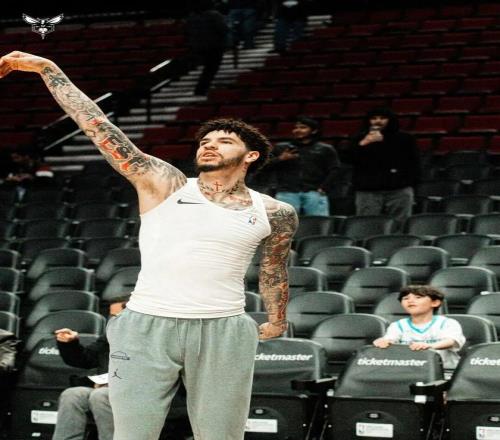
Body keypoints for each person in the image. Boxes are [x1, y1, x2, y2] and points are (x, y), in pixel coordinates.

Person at [0, 51, 298, 439]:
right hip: (145, 325)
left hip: (225, 328)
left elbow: (274, 269)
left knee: (222, 435)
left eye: (224, 141)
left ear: (251, 156)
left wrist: (277, 318)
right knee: (132, 434)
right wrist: (47, 69)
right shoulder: (165, 183)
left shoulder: (276, 212)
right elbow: (97, 125)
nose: (208, 146)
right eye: (204, 141)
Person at [52, 296, 129, 440]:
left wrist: (111, 383)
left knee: (100, 396)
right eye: (111, 316)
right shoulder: (110, 336)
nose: (112, 321)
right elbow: (85, 359)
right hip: (106, 387)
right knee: (72, 395)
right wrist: (70, 343)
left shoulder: (151, 338)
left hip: (135, 391)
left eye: (117, 316)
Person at [346, 107, 420, 229]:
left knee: (400, 226)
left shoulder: (405, 138)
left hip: (399, 189)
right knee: (367, 226)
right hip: (368, 190)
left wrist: (410, 184)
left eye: (382, 118)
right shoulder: (359, 139)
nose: (378, 121)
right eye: (374, 118)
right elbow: (348, 160)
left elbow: (413, 163)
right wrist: (364, 143)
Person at [373, 285, 465, 369]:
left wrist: (430, 346)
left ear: (435, 302)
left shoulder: (447, 323)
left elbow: (451, 341)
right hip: (410, 370)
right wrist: (383, 342)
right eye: (406, 298)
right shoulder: (397, 325)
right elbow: (390, 339)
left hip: (445, 370)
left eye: (418, 297)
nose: (410, 301)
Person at [263, 116, 339, 216]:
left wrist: (324, 187)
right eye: (296, 127)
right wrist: (280, 158)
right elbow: (263, 166)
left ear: (314, 131)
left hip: (314, 192)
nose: (298, 130)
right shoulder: (281, 147)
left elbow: (335, 169)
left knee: (318, 223)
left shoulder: (325, 149)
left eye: (303, 127)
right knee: (284, 224)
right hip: (287, 191)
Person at [185, 0, 229, 95]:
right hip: (214, 46)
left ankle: (202, 88)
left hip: (198, 46)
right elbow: (223, 29)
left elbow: (187, 31)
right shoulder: (214, 15)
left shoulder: (192, 16)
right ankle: (201, 89)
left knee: (209, 68)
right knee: (211, 68)